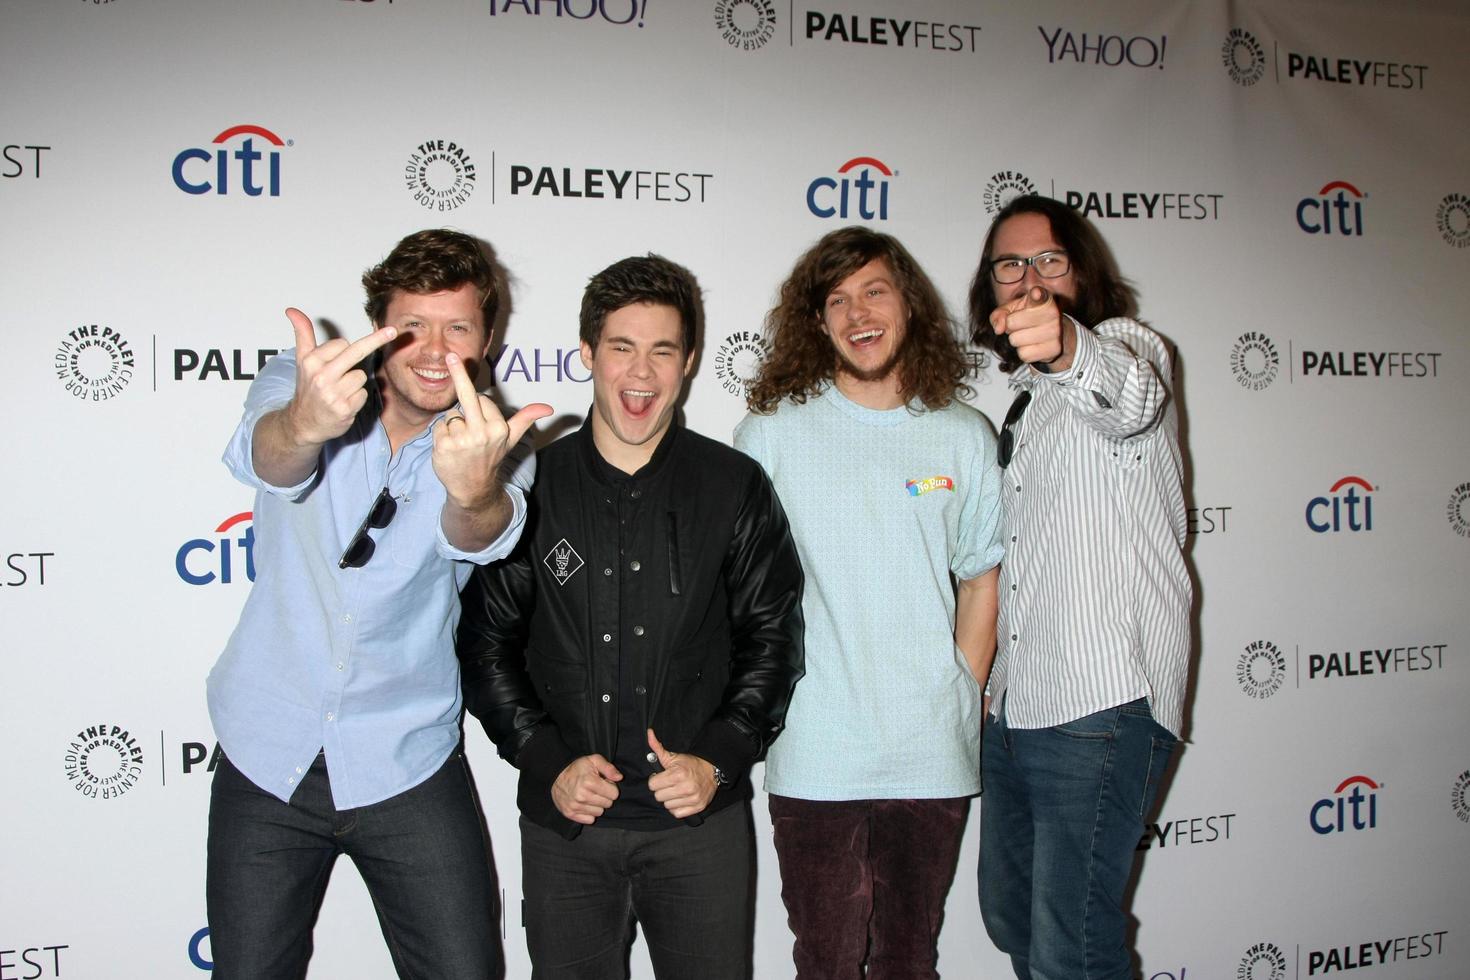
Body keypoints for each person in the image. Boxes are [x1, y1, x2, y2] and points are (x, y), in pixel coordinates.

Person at [205, 228, 551, 979]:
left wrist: (475, 489)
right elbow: (268, 456)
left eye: (458, 328)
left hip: (406, 760)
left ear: (487, 337)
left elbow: (483, 534)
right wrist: (304, 424)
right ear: (377, 330)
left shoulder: (493, 440)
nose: (435, 350)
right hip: (270, 751)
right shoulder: (304, 381)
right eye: (413, 327)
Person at [456, 253, 805, 979]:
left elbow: (772, 639)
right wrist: (547, 762)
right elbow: (487, 646)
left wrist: (719, 757)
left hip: (699, 826)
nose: (640, 373)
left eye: (662, 350)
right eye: (621, 347)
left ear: (689, 362)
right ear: (587, 354)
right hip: (567, 832)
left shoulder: (733, 484)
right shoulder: (528, 486)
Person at [734, 226, 1004, 979]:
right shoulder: (772, 436)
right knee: (825, 961)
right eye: (838, 299)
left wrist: (961, 687)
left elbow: (982, 578)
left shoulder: (962, 436)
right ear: (817, 322)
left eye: (875, 290)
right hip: (816, 749)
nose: (859, 312)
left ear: (908, 304)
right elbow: (741, 594)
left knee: (909, 960)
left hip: (930, 750)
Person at [968, 194, 1191, 980]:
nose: (1027, 277)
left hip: (1101, 702)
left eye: (1048, 260)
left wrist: (1067, 348)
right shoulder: (1024, 410)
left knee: (1075, 947)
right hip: (1017, 707)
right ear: (989, 292)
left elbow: (1127, 400)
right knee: (1009, 915)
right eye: (1008, 264)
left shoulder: (1130, 349)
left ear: (1081, 273)